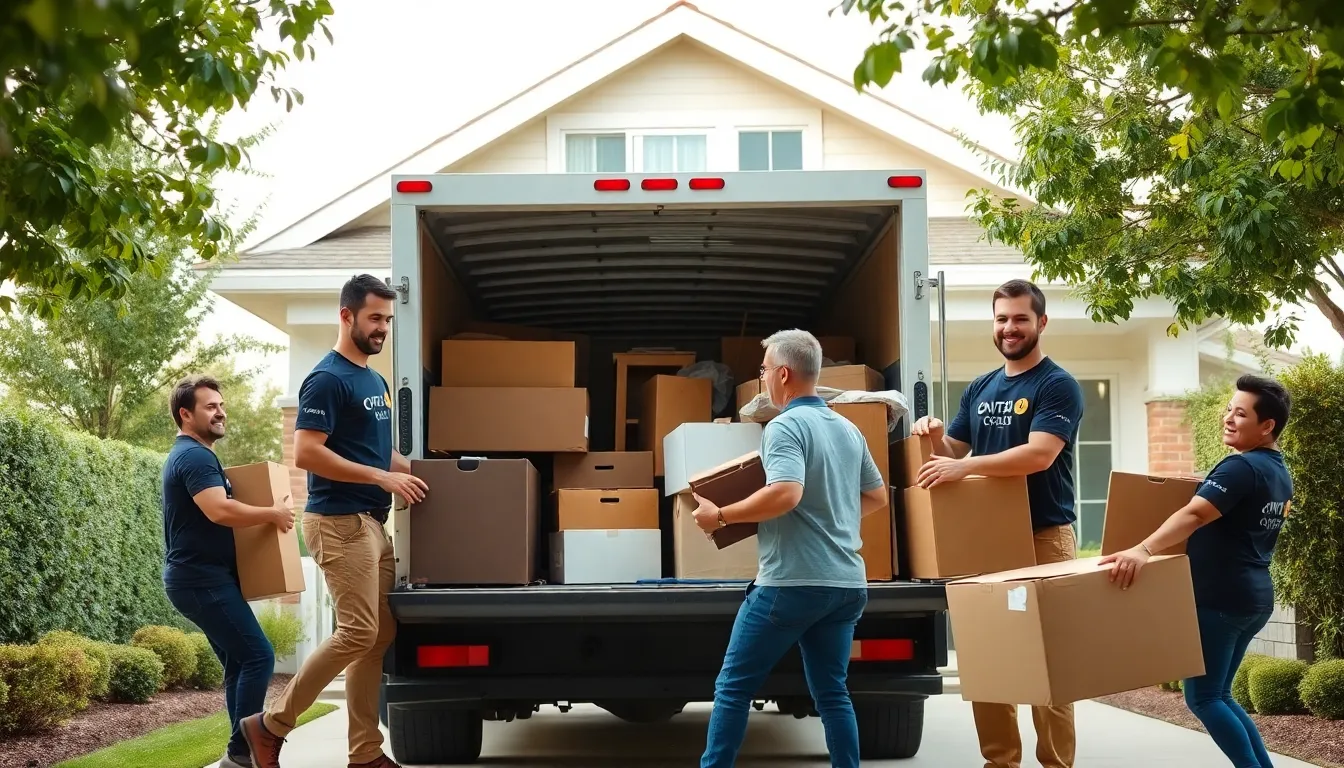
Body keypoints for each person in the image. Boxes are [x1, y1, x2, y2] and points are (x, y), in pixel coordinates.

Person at [242, 274, 429, 768]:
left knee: (378, 636)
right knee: (358, 631)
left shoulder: (375, 380)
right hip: (338, 522)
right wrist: (381, 477)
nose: (383, 328)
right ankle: (270, 725)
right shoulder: (326, 378)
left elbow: (379, 453)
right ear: (346, 316)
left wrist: (432, 475)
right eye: (374, 318)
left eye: (388, 319)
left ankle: (365, 753)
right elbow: (306, 451)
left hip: (372, 523)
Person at [691, 329, 890, 768]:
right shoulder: (848, 429)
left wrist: (720, 516)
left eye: (763, 370)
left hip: (792, 583)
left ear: (783, 374)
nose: (762, 378)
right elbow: (877, 497)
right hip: (845, 585)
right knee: (833, 693)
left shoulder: (784, 425)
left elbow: (786, 492)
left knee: (733, 688)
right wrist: (831, 514)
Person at [909, 278, 1084, 768]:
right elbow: (952, 453)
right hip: (985, 543)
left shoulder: (1057, 385)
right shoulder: (980, 388)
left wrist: (963, 467)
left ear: (1041, 322)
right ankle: (1000, 761)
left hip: (1043, 537)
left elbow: (1039, 455)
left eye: (1020, 318)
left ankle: (1056, 763)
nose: (1010, 328)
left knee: (1048, 664)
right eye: (1002, 318)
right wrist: (934, 436)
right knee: (989, 660)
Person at [1101, 374, 1292, 768]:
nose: (1228, 418)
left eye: (1241, 414)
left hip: (1221, 599)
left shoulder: (1240, 468)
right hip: (1252, 597)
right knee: (1220, 695)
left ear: (1267, 425)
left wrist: (1142, 549)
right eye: (1229, 410)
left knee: (1203, 697)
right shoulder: (1276, 470)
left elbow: (1194, 514)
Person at [160, 375, 294, 768]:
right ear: (186, 414)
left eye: (221, 405)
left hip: (201, 578)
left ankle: (238, 756)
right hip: (199, 580)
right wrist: (272, 513)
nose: (220, 412)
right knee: (258, 656)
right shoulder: (194, 456)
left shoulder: (194, 455)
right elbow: (218, 509)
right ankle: (242, 751)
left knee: (241, 661)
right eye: (210, 407)